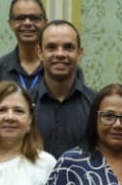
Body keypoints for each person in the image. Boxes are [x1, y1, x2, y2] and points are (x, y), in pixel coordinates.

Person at [31, 19, 95, 158]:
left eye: (68, 47)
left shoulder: (96, 104)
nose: (60, 54)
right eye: (51, 47)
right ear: (40, 52)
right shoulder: (24, 105)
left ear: (79, 53)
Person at [0, 0, 51, 94]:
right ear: (11, 24)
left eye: (34, 18)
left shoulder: (59, 67)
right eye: (20, 18)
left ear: (44, 23)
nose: (27, 23)